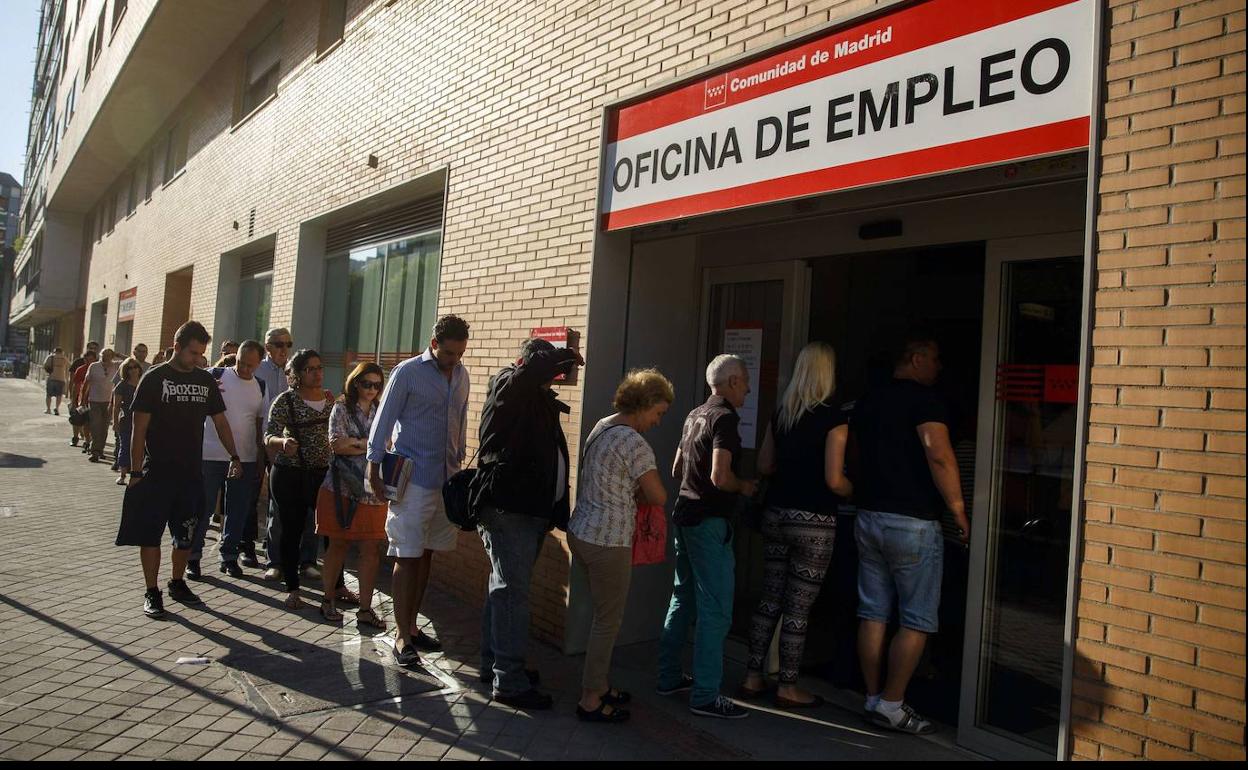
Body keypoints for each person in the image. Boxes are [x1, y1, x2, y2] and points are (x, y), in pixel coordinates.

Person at [851, 334, 968, 735]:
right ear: (917, 359)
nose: (939, 367)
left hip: (869, 516)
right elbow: (939, 454)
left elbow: (854, 453)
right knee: (917, 618)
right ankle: (892, 703)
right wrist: (958, 508)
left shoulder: (869, 399)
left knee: (873, 613)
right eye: (935, 358)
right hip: (913, 522)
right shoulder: (926, 401)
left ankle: (872, 697)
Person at [740, 342, 852, 708]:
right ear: (828, 374)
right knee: (798, 607)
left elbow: (764, 466)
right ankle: (787, 686)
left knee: (770, 598)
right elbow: (834, 480)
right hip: (814, 523)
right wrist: (854, 489)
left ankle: (752, 676)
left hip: (776, 516)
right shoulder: (835, 418)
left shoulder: (782, 414)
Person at [472, 337, 583, 708]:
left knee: (503, 591)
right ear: (527, 364)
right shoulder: (508, 384)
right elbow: (529, 371)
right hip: (510, 511)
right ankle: (509, 681)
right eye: (548, 368)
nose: (553, 376)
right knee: (511, 595)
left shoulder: (532, 395)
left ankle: (496, 666)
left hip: (528, 512)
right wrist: (565, 355)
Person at [115, 321, 241, 619]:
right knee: (150, 535)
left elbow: (220, 422)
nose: (198, 359)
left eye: (201, 354)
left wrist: (235, 455)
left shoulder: (204, 380)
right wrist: (135, 472)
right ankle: (152, 591)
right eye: (193, 353)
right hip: (155, 472)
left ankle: (177, 582)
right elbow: (139, 429)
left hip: (190, 474)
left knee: (186, 535)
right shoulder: (154, 378)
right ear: (177, 346)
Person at [567, 369, 673, 723]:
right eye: (658, 413)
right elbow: (658, 496)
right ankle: (590, 698)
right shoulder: (634, 443)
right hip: (608, 541)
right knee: (607, 622)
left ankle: (599, 683)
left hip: (582, 531)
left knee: (600, 616)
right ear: (644, 404)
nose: (658, 421)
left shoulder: (602, 426)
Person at [366, 315, 471, 667]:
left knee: (426, 554)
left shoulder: (462, 375)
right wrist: (373, 466)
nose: (454, 360)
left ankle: (411, 626)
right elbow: (383, 420)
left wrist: (460, 458)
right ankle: (401, 637)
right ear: (434, 343)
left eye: (460, 353)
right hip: (412, 480)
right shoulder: (408, 372)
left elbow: (461, 419)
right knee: (406, 554)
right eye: (449, 353)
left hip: (445, 481)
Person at [658, 354, 757, 720]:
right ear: (732, 382)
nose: (748, 388)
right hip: (709, 522)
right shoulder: (725, 418)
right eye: (745, 381)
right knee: (715, 610)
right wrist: (744, 486)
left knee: (682, 598)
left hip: (684, 516)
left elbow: (676, 468)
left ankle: (668, 677)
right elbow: (720, 476)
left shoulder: (695, 414)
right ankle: (704, 696)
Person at [317, 362, 389, 629]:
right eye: (367, 383)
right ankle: (328, 599)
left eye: (377, 385)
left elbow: (388, 444)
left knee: (371, 549)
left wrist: (356, 443)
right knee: (338, 544)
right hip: (342, 488)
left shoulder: (382, 410)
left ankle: (365, 609)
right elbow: (337, 444)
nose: (372, 389)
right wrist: (369, 445)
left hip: (373, 489)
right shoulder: (342, 407)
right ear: (356, 382)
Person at [189, 340, 267, 580]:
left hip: (245, 457)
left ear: (259, 363)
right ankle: (193, 557)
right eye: (241, 362)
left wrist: (259, 457)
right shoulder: (215, 376)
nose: (244, 368)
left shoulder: (260, 386)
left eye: (250, 365)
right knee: (203, 508)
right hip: (210, 455)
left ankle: (229, 556)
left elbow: (259, 424)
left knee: (237, 509)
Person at [265, 349, 335, 611]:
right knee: (291, 530)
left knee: (330, 531)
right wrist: (282, 443)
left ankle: (335, 585)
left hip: (323, 474)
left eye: (319, 368)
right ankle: (292, 589)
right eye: (310, 369)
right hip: (290, 474)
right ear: (297, 374)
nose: (317, 373)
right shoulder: (286, 401)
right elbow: (268, 435)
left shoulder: (330, 400)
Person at [256, 327, 313, 578]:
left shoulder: (293, 370)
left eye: (288, 344)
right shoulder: (258, 370)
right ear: (267, 347)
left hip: (299, 455)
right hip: (265, 443)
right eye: (279, 344)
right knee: (272, 506)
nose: (284, 349)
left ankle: (303, 559)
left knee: (303, 510)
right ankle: (270, 558)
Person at [83, 349, 121, 463]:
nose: (106, 357)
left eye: (109, 355)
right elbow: (87, 382)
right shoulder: (94, 366)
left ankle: (100, 450)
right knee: (95, 426)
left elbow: (130, 360)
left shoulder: (116, 366)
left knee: (104, 428)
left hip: (109, 402)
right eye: (104, 355)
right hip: (94, 400)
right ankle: (94, 451)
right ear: (101, 355)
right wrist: (83, 399)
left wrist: (118, 354)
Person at [112, 357, 144, 486]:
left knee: (141, 447)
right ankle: (123, 474)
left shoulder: (143, 383)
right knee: (125, 446)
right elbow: (116, 406)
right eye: (130, 368)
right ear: (126, 371)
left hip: (142, 420)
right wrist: (115, 422)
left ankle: (138, 473)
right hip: (126, 419)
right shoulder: (122, 385)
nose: (133, 370)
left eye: (135, 367)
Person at [70, 351, 99, 451]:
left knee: (89, 422)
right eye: (87, 359)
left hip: (95, 399)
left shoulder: (98, 369)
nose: (89, 361)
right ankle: (76, 437)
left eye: (91, 359)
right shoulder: (81, 369)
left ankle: (88, 441)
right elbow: (76, 385)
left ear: (95, 359)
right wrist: (73, 400)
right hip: (82, 400)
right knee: (78, 419)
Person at [43, 347, 70, 415]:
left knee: (49, 395)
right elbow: (69, 365)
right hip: (61, 378)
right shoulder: (64, 358)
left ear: (55, 351)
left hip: (51, 378)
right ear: (62, 352)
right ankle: (57, 408)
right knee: (59, 395)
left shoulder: (50, 357)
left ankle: (48, 409)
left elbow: (45, 365)